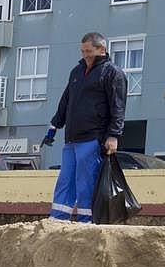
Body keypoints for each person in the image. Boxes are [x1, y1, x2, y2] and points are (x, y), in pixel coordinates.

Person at [41, 32, 128, 223]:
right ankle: (58, 219)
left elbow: (118, 107)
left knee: (85, 182)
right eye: (82, 51)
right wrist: (54, 125)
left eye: (89, 51)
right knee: (65, 180)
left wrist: (113, 136)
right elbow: (66, 101)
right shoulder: (76, 72)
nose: (85, 55)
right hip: (72, 138)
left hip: (93, 137)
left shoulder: (113, 74)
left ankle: (86, 221)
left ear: (101, 49)